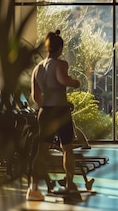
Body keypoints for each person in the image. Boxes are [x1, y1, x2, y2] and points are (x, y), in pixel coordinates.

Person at [27, 30, 82, 201]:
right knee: (67, 148)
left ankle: (33, 189)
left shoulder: (37, 68)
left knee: (41, 151)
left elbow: (35, 96)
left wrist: (45, 107)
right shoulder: (60, 64)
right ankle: (70, 185)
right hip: (60, 111)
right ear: (60, 48)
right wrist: (75, 82)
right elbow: (63, 80)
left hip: (44, 112)